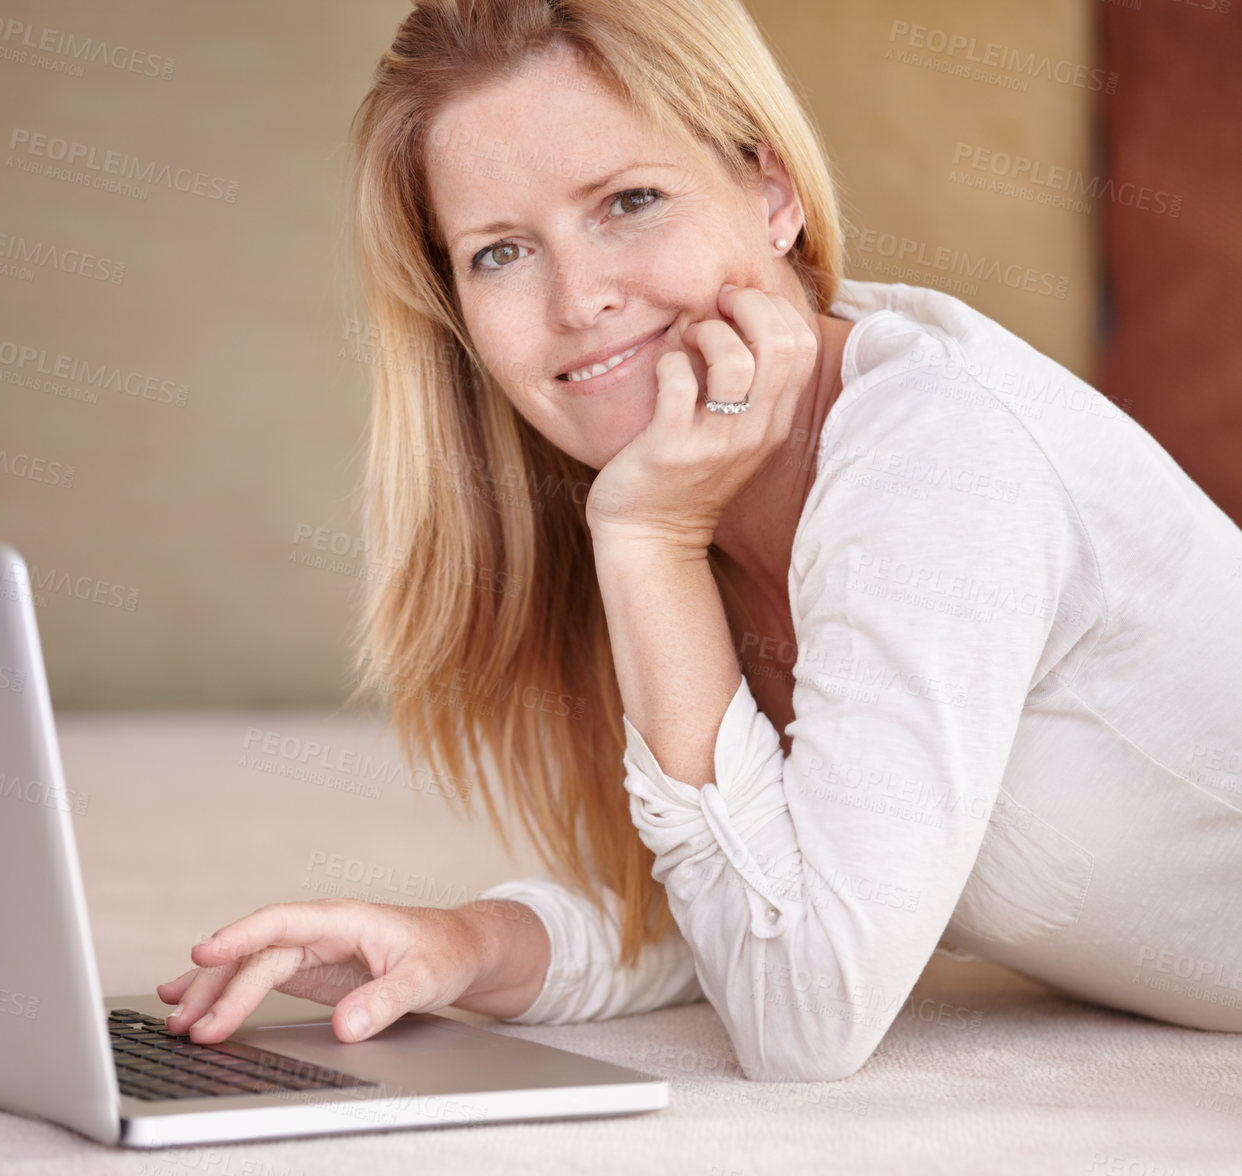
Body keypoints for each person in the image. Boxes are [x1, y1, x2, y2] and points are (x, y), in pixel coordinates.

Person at [158, 0, 1242, 1081]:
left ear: (771, 192)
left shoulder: (931, 455)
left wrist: (648, 542)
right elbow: (738, 898)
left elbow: (800, 1016)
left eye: (630, 201)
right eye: (500, 254)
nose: (581, 301)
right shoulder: (689, 468)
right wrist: (465, 947)